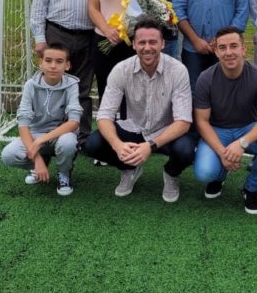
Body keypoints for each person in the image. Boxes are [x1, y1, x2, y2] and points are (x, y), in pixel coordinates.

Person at [82, 19, 196, 202]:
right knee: (92, 144)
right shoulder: (121, 70)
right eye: (142, 42)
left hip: (164, 131)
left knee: (186, 150)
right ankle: (129, 168)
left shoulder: (178, 70)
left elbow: (183, 122)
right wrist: (118, 146)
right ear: (134, 44)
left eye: (153, 42)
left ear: (163, 43)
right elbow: (104, 116)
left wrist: (149, 146)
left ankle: (171, 173)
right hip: (133, 128)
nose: (147, 47)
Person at [193, 27, 257, 215]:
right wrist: (222, 152)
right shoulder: (205, 78)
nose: (229, 52)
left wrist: (241, 144)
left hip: (248, 129)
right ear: (216, 52)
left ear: (243, 49)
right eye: (222, 48)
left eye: (234, 46)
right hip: (217, 130)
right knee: (204, 173)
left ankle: (250, 188)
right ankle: (219, 176)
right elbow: (202, 122)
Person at [30, 0, 104, 146]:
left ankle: (81, 138)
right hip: (57, 33)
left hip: (88, 35)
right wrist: (40, 38)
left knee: (82, 88)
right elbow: (39, 2)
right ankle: (50, 133)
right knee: (54, 84)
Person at [0, 43, 82, 196]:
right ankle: (40, 163)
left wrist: (41, 141)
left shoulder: (72, 85)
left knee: (68, 143)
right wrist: (37, 158)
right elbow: (23, 124)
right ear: (40, 63)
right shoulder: (30, 85)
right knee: (8, 155)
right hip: (35, 133)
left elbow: (74, 122)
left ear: (67, 65)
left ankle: (64, 173)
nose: (53, 66)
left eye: (59, 61)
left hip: (60, 134)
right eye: (48, 60)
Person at [88, 0, 151, 116]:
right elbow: (92, 8)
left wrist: (125, 30)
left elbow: (144, 13)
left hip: (129, 43)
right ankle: (107, 132)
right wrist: (107, 30)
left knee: (130, 92)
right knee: (105, 88)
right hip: (103, 41)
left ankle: (127, 132)